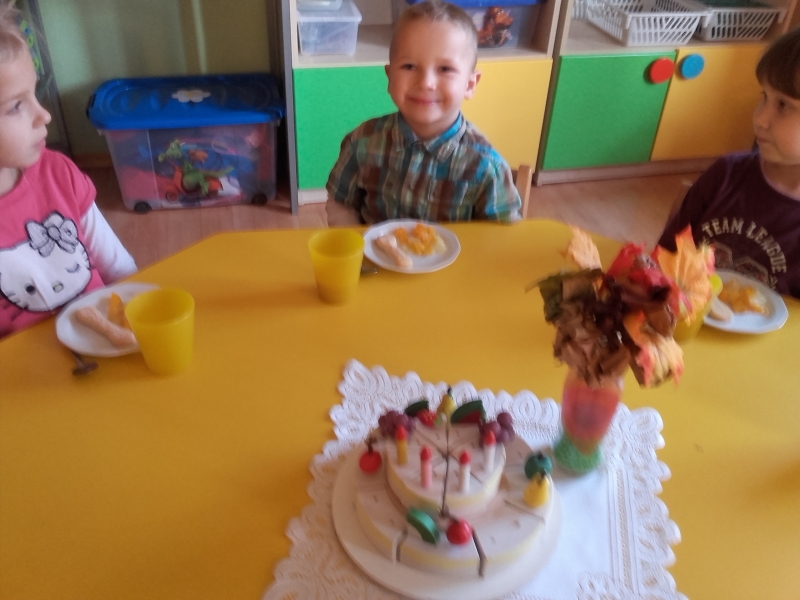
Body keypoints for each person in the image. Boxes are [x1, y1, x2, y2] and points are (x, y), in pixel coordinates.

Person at [0, 3, 137, 339]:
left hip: (103, 336)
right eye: (16, 106)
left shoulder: (57, 171)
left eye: (34, 94)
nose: (43, 115)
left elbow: (119, 268)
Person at [326, 0, 522, 226]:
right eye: (409, 66)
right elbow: (341, 202)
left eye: (445, 69)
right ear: (390, 77)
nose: (426, 82)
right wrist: (354, 240)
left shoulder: (486, 166)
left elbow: (502, 235)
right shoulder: (362, 141)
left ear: (469, 84)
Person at [659, 28, 800, 298]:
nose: (760, 118)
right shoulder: (726, 174)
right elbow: (665, 257)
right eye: (764, 97)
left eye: (783, 105)